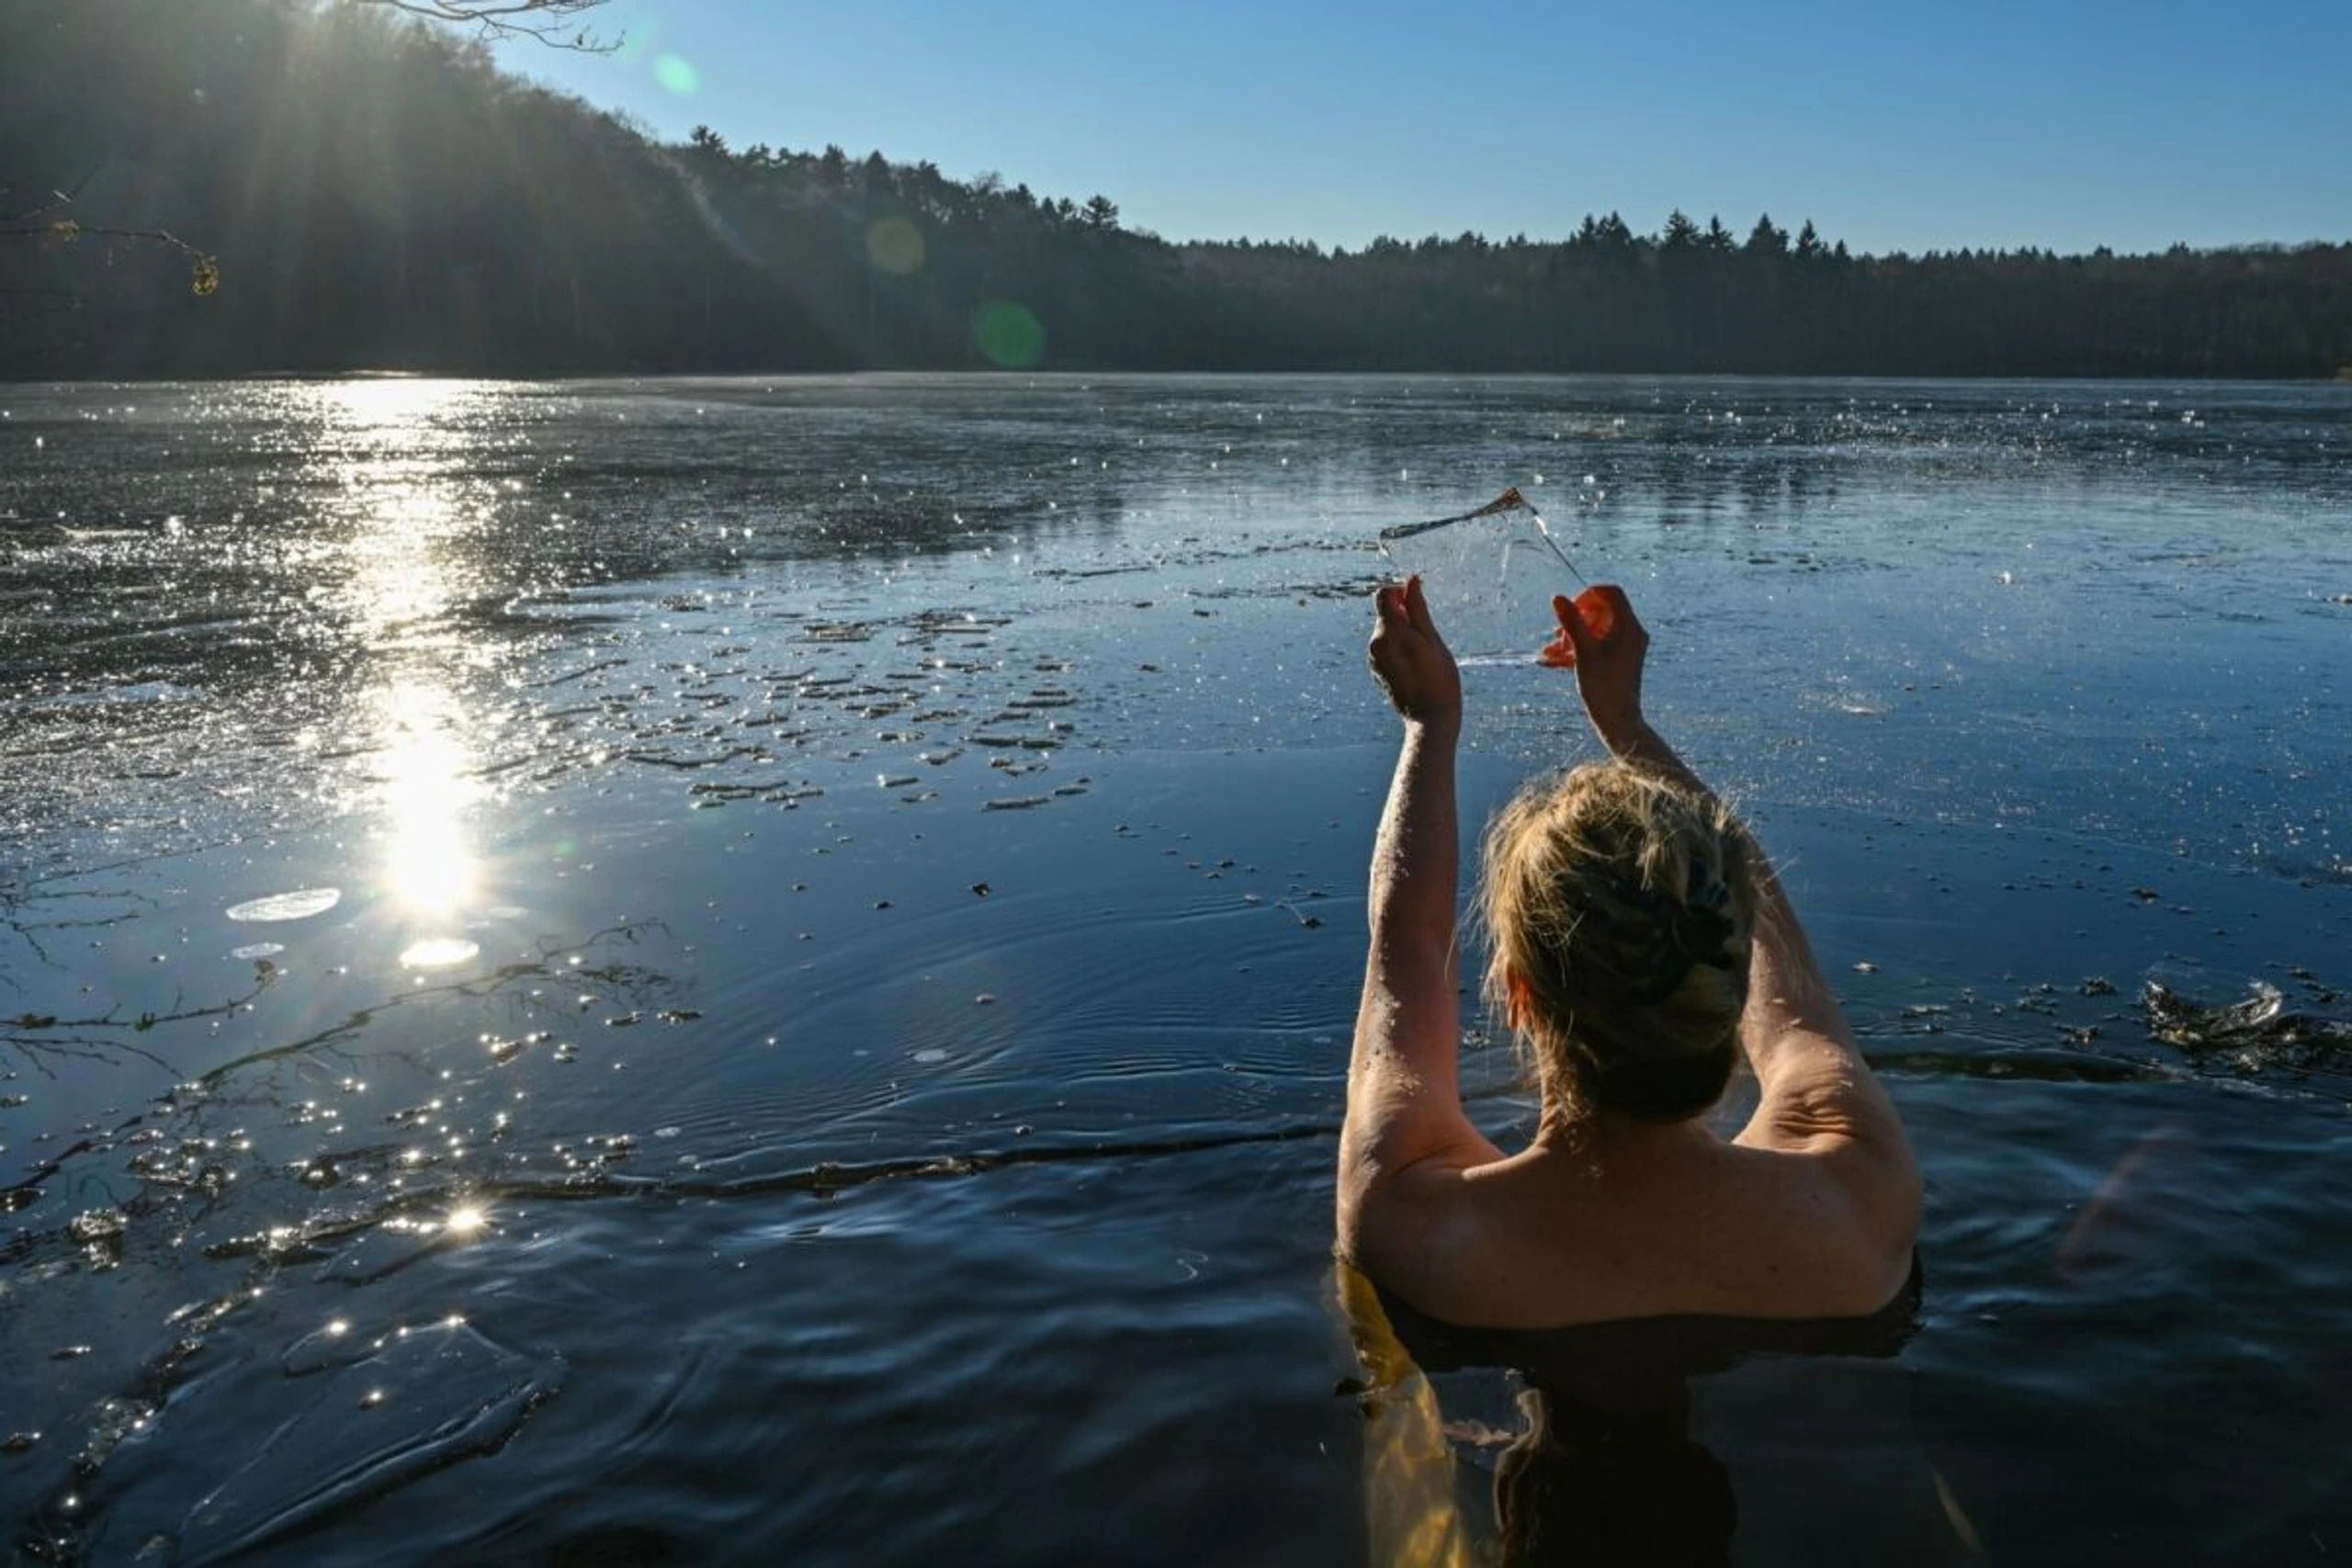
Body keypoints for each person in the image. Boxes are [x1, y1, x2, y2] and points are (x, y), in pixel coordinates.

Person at [1339, 576, 1921, 1329]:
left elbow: (1407, 943)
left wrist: (1430, 722)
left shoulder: (1415, 1224)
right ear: (1732, 980)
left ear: (1521, 993)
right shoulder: (1862, 1198)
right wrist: (1626, 722)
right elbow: (1788, 977)